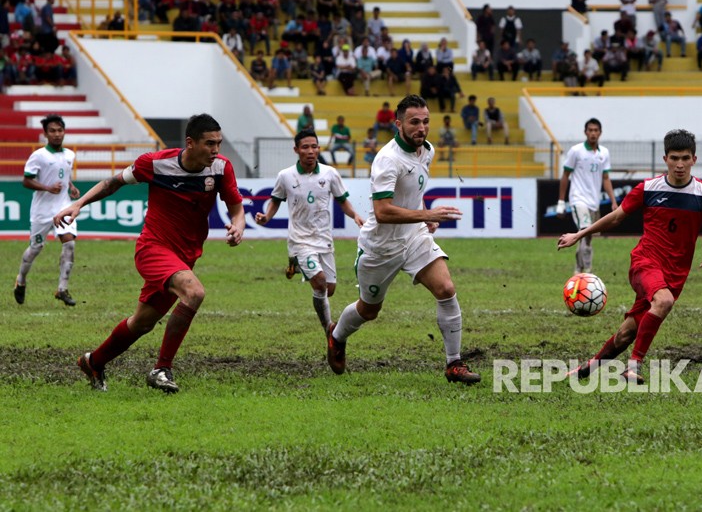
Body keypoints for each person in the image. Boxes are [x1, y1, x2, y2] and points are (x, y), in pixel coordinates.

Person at [56, 114, 245, 393]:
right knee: (194, 292)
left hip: (185, 257)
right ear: (190, 143)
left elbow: (236, 207)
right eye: (209, 144)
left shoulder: (220, 168)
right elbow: (113, 182)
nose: (216, 150)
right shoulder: (155, 163)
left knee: (142, 323)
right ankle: (162, 368)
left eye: (218, 143)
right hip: (153, 248)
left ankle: (93, 362)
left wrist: (238, 227)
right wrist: (79, 204)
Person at [325, 95, 481, 385]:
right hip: (380, 248)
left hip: (414, 237)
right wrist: (425, 213)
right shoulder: (386, 160)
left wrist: (424, 218)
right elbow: (382, 212)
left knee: (446, 288)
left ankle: (454, 364)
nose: (421, 128)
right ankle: (336, 336)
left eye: (425, 121)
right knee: (369, 310)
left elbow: (411, 194)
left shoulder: (427, 150)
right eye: (414, 122)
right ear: (398, 124)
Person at [559, 129, 702, 383]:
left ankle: (585, 370)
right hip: (645, 262)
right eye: (674, 158)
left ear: (694, 159)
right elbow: (617, 217)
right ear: (665, 159)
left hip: (675, 274)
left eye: (685, 158)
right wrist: (579, 233)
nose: (680, 164)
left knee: (626, 334)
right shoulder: (649, 188)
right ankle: (633, 366)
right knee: (663, 301)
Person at [255, 130, 363, 332]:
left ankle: (295, 265)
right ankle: (329, 330)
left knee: (329, 290)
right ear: (296, 150)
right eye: (305, 147)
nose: (311, 151)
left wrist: (355, 215)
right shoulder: (285, 176)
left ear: (319, 148)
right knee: (320, 283)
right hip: (300, 241)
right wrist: (266, 217)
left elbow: (342, 201)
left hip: (324, 239)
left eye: (314, 146)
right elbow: (275, 201)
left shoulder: (329, 173)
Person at [14, 115, 80, 306]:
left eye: (60, 130)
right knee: (36, 248)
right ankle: (21, 280)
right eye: (52, 131)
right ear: (45, 134)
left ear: (64, 132)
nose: (57, 134)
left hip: (63, 207)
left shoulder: (69, 155)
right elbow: (26, 180)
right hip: (42, 211)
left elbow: (65, 176)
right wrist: (47, 187)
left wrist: (71, 187)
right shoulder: (39, 155)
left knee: (69, 243)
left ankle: (62, 289)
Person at [555, 118, 617, 274]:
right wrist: (561, 202)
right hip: (578, 199)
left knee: (587, 236)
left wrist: (613, 202)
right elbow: (565, 175)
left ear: (600, 133)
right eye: (590, 130)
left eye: (596, 130)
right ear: (585, 132)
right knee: (584, 229)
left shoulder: (604, 153)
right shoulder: (576, 151)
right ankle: (585, 272)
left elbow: (606, 178)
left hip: (593, 202)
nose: (593, 133)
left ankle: (579, 266)